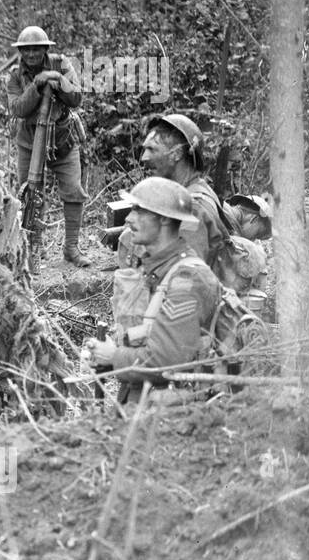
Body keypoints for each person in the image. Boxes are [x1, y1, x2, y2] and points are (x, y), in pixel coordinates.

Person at [85, 177, 222, 402]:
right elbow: (147, 333)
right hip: (144, 406)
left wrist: (114, 356)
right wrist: (105, 352)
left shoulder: (188, 280)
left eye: (139, 211)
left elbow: (166, 360)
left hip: (174, 419)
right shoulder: (156, 269)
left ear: (165, 220)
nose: (129, 218)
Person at [5, 25, 91, 267]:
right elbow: (18, 108)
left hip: (62, 140)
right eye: (27, 50)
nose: (31, 54)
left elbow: (76, 97)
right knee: (30, 196)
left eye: (36, 49)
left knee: (74, 191)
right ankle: (34, 249)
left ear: (45, 49)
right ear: (20, 52)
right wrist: (36, 85)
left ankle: (71, 248)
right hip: (29, 143)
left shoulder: (61, 64)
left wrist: (57, 79)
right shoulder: (14, 75)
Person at [130, 113, 231, 274]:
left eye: (152, 149)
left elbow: (187, 280)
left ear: (177, 154)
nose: (144, 158)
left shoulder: (192, 209)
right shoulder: (193, 191)